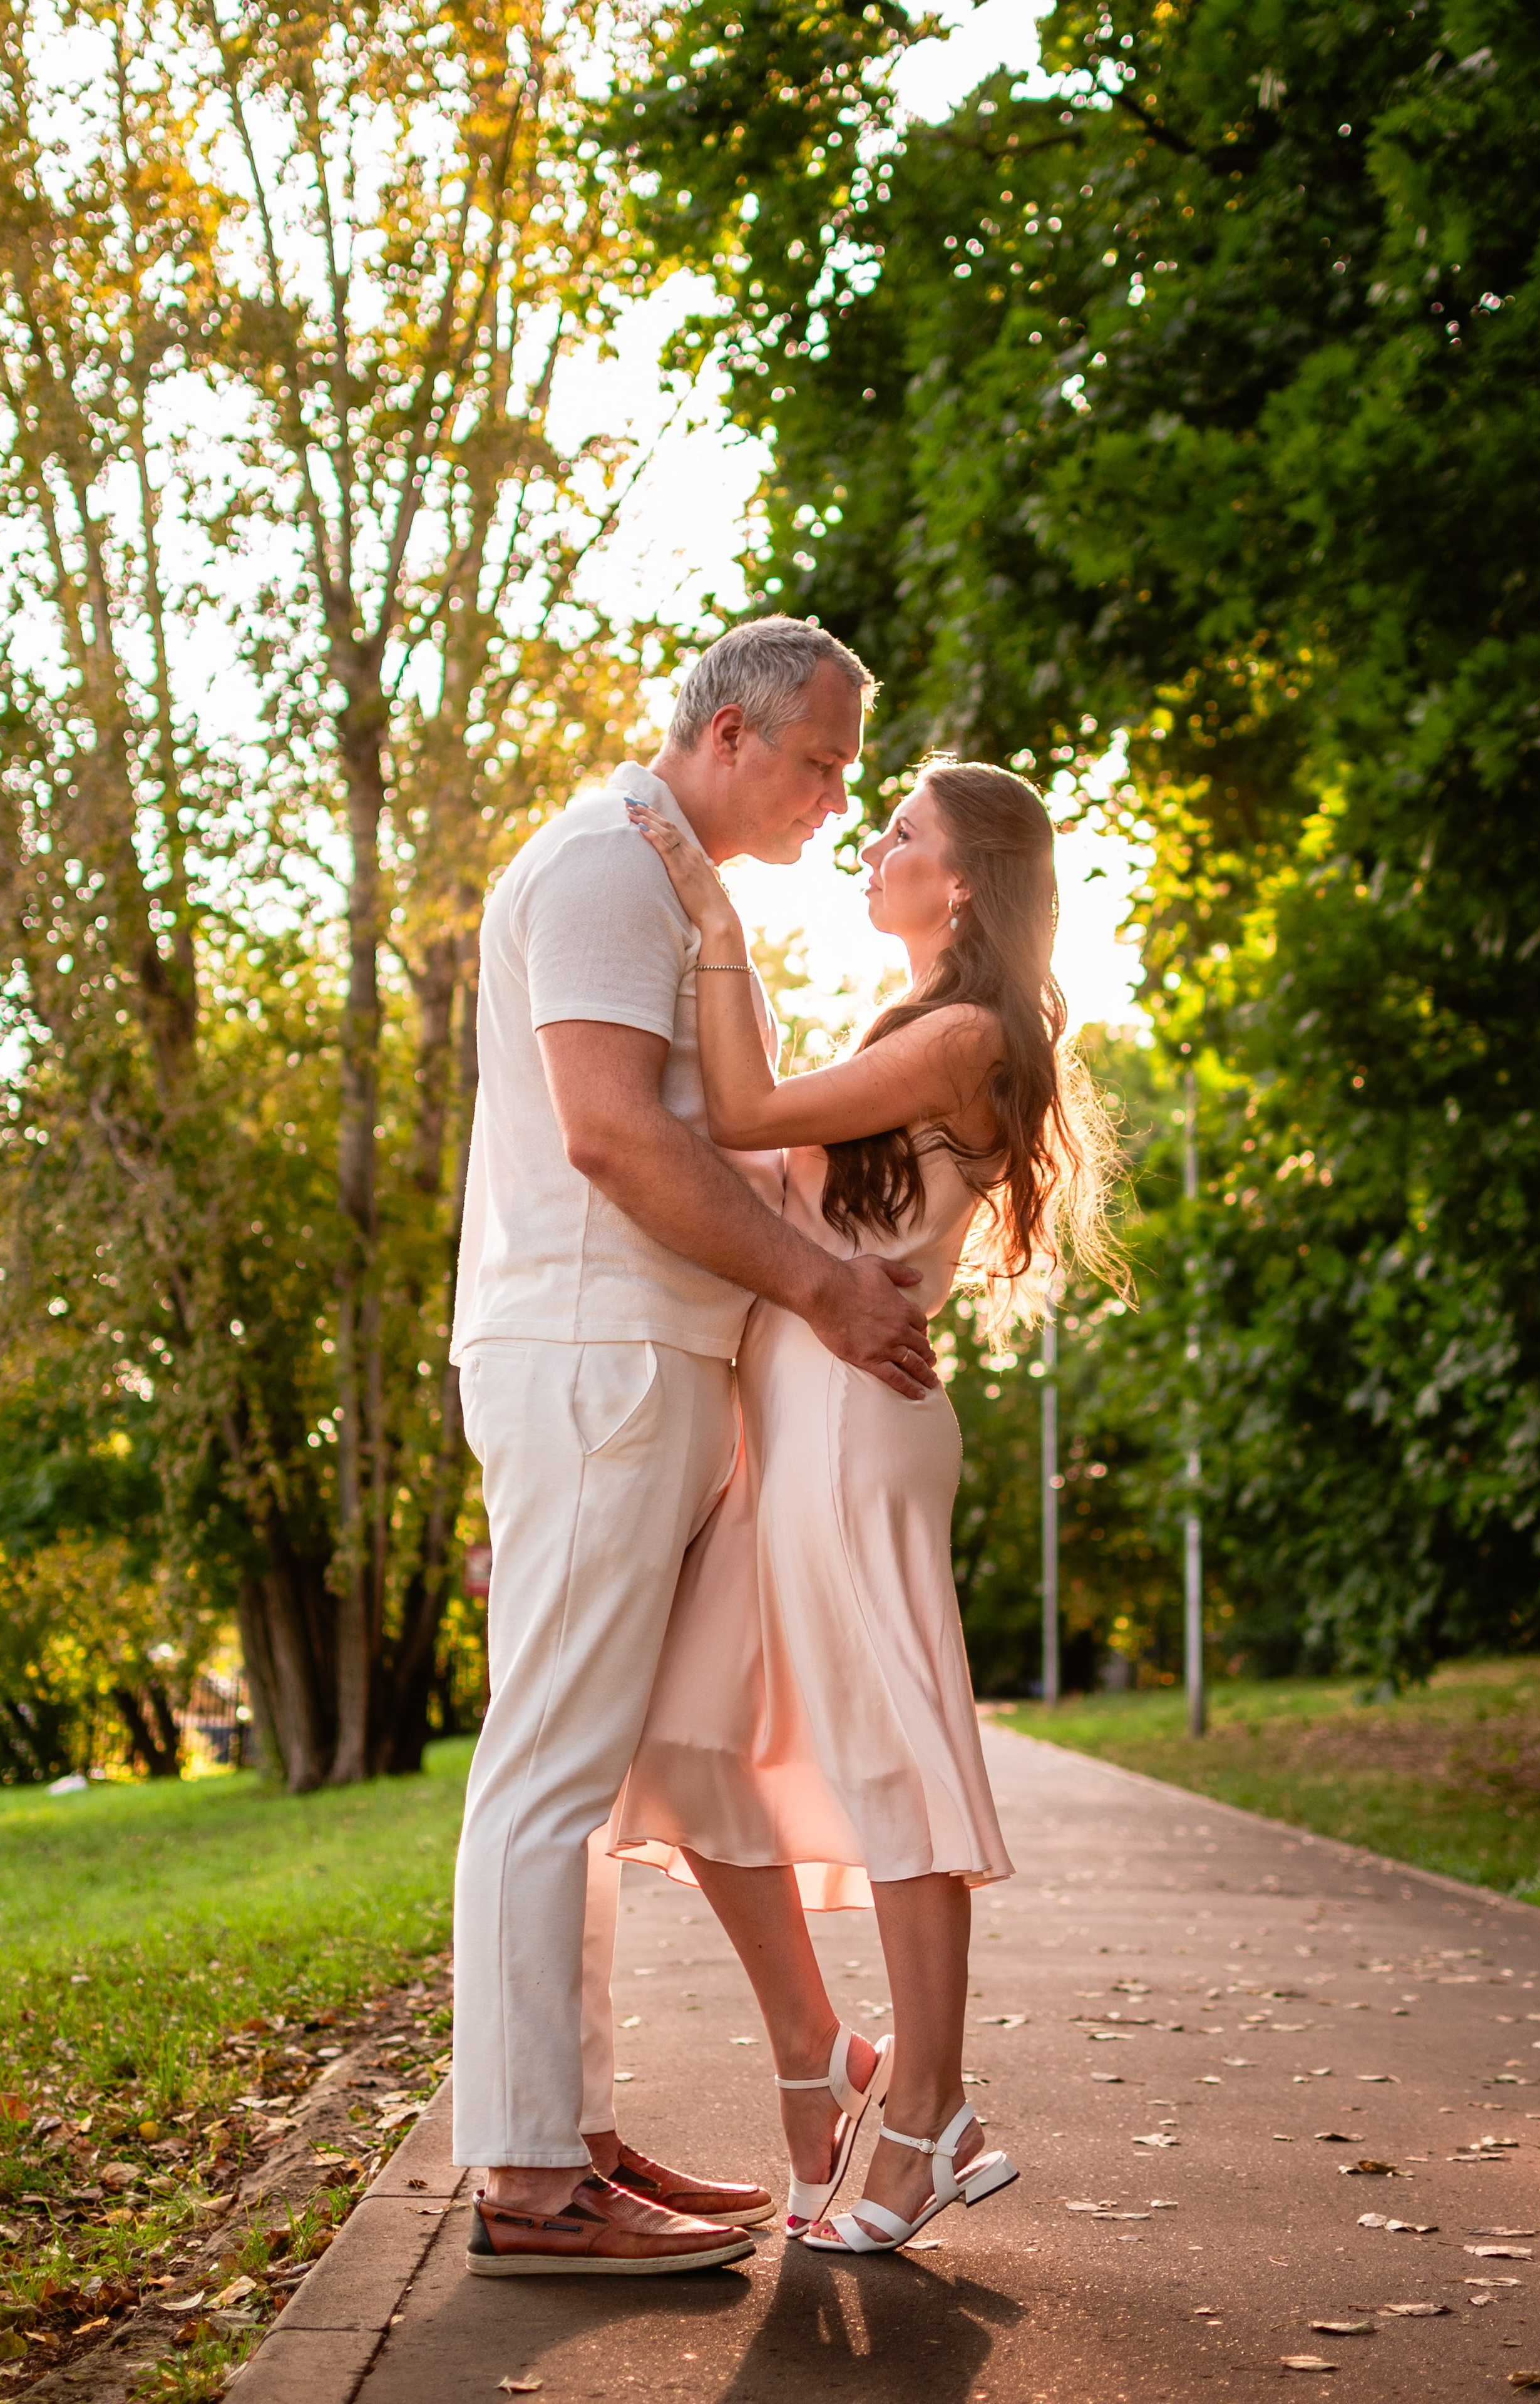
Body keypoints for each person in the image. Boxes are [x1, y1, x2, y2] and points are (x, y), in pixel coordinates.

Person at [448, 618, 943, 2277]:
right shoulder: (605, 865)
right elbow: (606, 1133)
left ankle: (573, 2135)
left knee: (577, 1778)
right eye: (819, 761)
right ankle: (529, 2182)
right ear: (730, 735)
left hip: (632, 1367)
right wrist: (826, 1290)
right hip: (597, 1367)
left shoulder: (661, 883)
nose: (835, 795)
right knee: (549, 1773)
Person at [617, 758, 1123, 2255]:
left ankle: (925, 2119)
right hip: (799, 1420)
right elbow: (773, 1175)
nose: (871, 846)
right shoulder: (912, 1029)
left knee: (891, 1765)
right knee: (683, 1726)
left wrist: (710, 918)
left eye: (897, 833)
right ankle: (830, 2057)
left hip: (852, 1427)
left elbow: (746, 1109)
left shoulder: (965, 1032)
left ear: (958, 883)